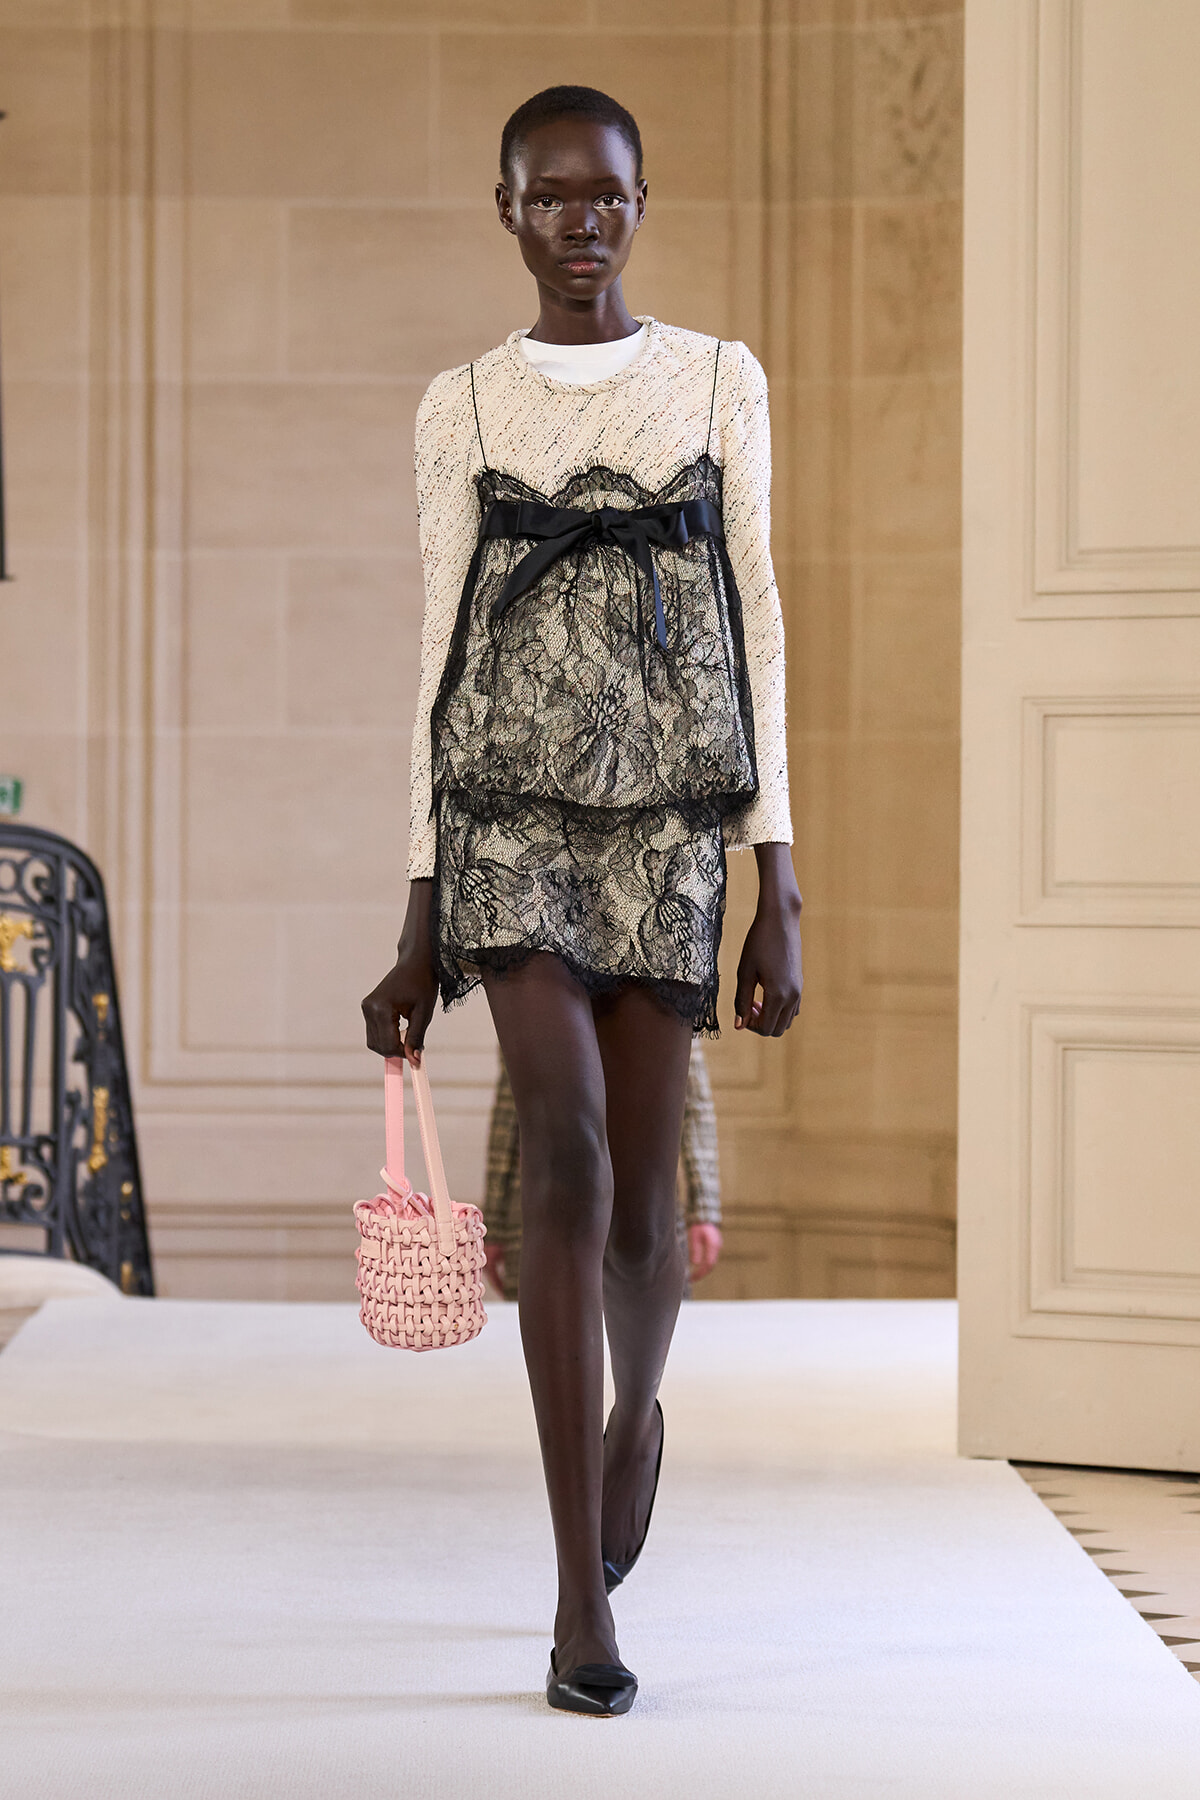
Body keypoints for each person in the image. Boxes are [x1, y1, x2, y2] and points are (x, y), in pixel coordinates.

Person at [362, 85, 802, 1718]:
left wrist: (782, 873)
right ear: (507, 209)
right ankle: (575, 1604)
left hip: (675, 829)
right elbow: (438, 658)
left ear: (637, 200)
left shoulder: (717, 381)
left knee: (637, 1189)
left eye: (605, 194)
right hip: (509, 825)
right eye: (550, 198)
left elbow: (758, 622)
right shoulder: (461, 406)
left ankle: (636, 1420)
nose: (581, 223)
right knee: (563, 1155)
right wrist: (418, 915)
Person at [483, 1043, 725, 1300]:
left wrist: (705, 1209)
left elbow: (693, 1103)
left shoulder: (666, 1005)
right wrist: (495, 1225)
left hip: (645, 1201)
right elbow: (510, 1113)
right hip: (542, 1208)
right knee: (545, 1322)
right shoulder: (534, 1006)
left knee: (649, 1317)